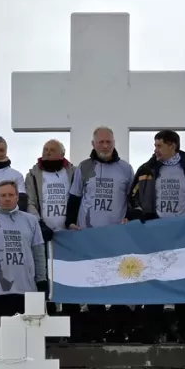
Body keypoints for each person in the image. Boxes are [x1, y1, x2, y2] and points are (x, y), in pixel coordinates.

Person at [127, 130, 185, 343]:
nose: (155, 150)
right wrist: (140, 214)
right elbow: (133, 197)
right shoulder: (147, 169)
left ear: (172, 145)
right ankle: (153, 330)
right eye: (155, 145)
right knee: (155, 281)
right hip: (156, 234)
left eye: (159, 145)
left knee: (184, 282)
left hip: (184, 236)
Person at [65, 126, 135, 343]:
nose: (105, 146)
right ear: (93, 144)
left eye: (108, 142)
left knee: (118, 283)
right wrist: (70, 222)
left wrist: (130, 217)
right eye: (101, 142)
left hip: (117, 237)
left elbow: (132, 199)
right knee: (93, 282)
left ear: (114, 142)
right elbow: (75, 197)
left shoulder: (126, 169)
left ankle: (117, 330)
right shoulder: (84, 167)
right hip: (90, 236)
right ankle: (96, 331)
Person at [0, 181, 47, 358]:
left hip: (26, 291)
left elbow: (39, 253)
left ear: (17, 197)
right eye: (3, 195)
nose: (7, 199)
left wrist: (41, 281)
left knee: (26, 341)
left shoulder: (31, 221)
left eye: (10, 195)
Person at [24, 139, 73, 239]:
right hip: (43, 233)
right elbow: (30, 203)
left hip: (70, 232)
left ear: (62, 155)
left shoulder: (73, 173)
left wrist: (73, 221)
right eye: (45, 149)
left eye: (52, 150)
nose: (47, 152)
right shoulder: (32, 176)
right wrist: (39, 224)